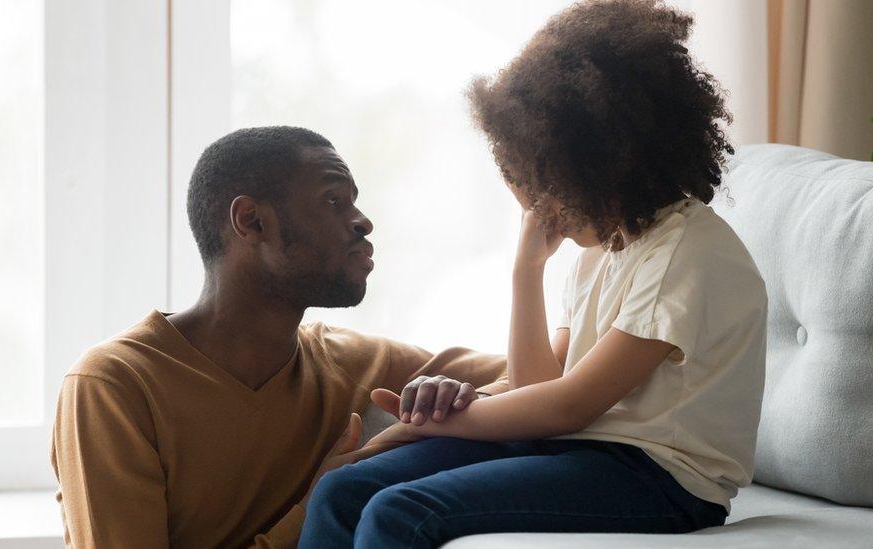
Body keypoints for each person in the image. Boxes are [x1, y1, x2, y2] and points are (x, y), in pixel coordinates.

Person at [298, 1, 769, 547]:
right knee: (344, 491)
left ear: (604, 166)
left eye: (551, 197)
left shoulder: (688, 252)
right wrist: (527, 271)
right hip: (576, 447)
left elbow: (569, 404)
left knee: (402, 512)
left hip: (660, 480)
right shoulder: (605, 251)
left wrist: (442, 422)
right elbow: (538, 389)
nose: (544, 216)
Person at [49, 126, 508, 548]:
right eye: (334, 200)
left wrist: (459, 401)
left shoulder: (355, 363)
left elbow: (541, 376)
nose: (363, 222)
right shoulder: (114, 386)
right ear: (251, 221)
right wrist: (318, 505)